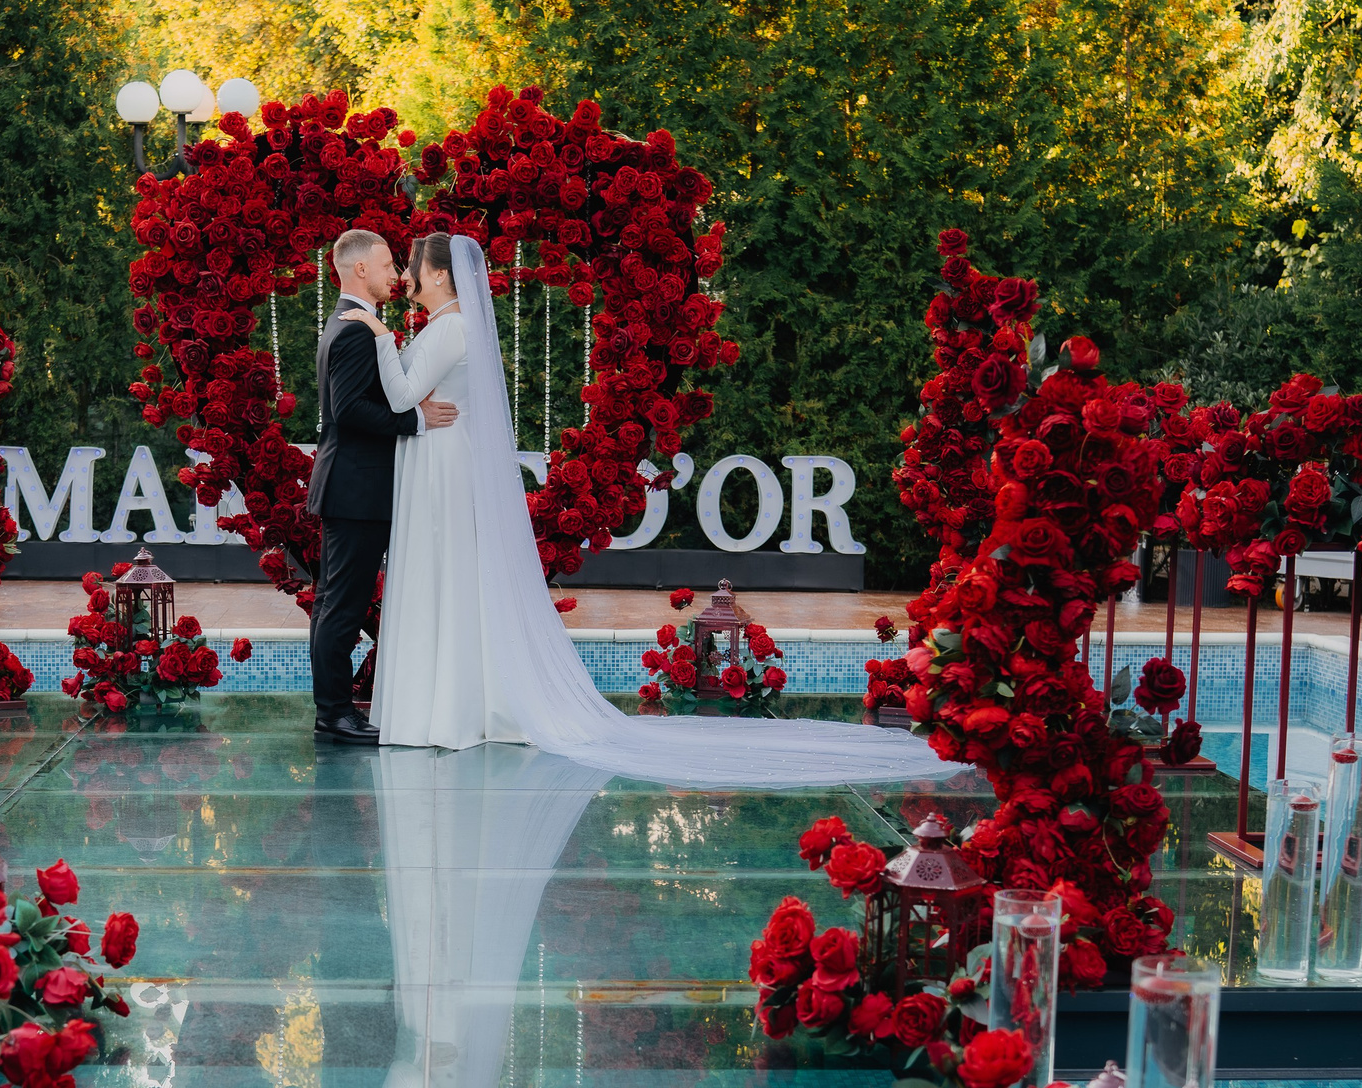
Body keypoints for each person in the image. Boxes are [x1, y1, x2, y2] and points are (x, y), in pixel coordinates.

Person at [336, 231, 952, 787]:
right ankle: (457, 700)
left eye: (411, 267)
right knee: (451, 583)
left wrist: (381, 337)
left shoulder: (446, 328)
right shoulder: (445, 325)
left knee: (446, 581)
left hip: (442, 466)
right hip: (437, 456)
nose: (406, 278)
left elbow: (399, 392)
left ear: (440, 275)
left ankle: (450, 709)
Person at [306, 228, 457, 746]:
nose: (398, 273)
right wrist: (416, 421)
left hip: (353, 486)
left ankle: (333, 710)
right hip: (356, 488)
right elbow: (347, 411)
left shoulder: (352, 323)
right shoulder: (353, 330)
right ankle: (335, 713)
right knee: (341, 605)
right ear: (361, 270)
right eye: (389, 265)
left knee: (333, 601)